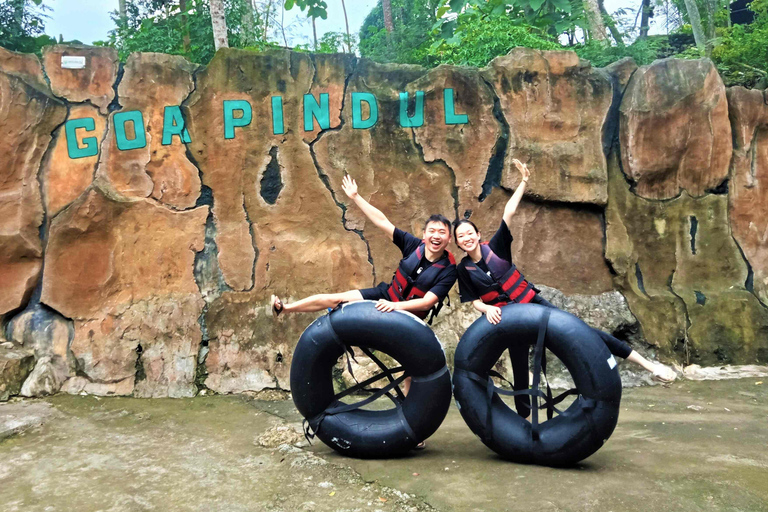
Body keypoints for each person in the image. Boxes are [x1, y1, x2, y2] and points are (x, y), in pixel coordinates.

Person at [453, 159, 677, 419]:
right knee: (519, 371)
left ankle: (650, 366)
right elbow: (473, 301)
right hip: (506, 320)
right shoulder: (463, 269)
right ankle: (522, 429)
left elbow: (509, 212)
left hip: (532, 306)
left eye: (469, 233)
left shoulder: (498, 247)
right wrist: (487, 307)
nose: (466, 238)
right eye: (461, 237)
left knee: (586, 332)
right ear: (458, 243)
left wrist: (524, 181)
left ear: (477, 234)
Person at [271, 175, 458, 448]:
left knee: (410, 373)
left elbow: (428, 302)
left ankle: (411, 430)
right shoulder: (413, 245)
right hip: (385, 296)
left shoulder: (449, 271)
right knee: (334, 298)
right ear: (425, 233)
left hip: (409, 318)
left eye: (442, 232)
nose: (436, 236)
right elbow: (382, 222)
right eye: (432, 231)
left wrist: (396, 307)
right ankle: (285, 308)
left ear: (448, 239)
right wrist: (356, 197)